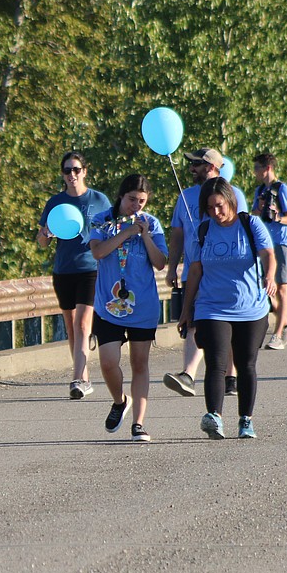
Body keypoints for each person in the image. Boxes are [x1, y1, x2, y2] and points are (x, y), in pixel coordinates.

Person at [178, 177, 276, 439]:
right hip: (211, 307)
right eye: (209, 208)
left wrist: (269, 276)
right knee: (216, 363)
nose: (216, 213)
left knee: (246, 364)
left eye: (219, 206)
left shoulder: (249, 223)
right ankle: (215, 417)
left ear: (230, 200)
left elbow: (268, 253)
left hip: (251, 307)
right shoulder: (204, 230)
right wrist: (186, 310)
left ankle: (246, 420)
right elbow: (195, 271)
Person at [162, 148, 248, 398]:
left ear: (211, 166)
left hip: (225, 272)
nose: (191, 169)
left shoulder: (235, 195)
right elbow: (177, 234)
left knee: (229, 323)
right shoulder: (185, 196)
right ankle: (188, 375)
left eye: (196, 164)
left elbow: (243, 231)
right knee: (193, 321)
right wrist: (172, 267)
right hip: (194, 270)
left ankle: (230, 376)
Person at [88, 174, 168, 442]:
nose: (136, 206)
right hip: (108, 305)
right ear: (121, 197)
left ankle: (139, 424)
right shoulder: (102, 220)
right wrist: (126, 232)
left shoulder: (152, 223)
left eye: (142, 201)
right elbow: (98, 252)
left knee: (139, 363)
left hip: (142, 305)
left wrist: (144, 235)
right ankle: (120, 401)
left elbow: (160, 262)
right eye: (132, 199)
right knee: (108, 363)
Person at [37, 151, 111, 400]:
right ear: (63, 174)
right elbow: (41, 242)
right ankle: (85, 376)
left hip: (90, 269)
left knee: (82, 324)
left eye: (76, 170)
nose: (72, 175)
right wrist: (46, 234)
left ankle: (77, 378)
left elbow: (113, 232)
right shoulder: (55, 203)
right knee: (71, 326)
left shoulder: (99, 200)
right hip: (63, 270)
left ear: (85, 171)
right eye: (67, 170)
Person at [252, 153, 287, 350]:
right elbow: (254, 215)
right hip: (264, 244)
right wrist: (261, 209)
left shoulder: (282, 189)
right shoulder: (260, 191)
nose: (254, 172)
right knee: (265, 289)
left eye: (257, 168)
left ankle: (278, 334)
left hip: (280, 243)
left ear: (267, 168)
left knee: (281, 288)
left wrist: (277, 217)